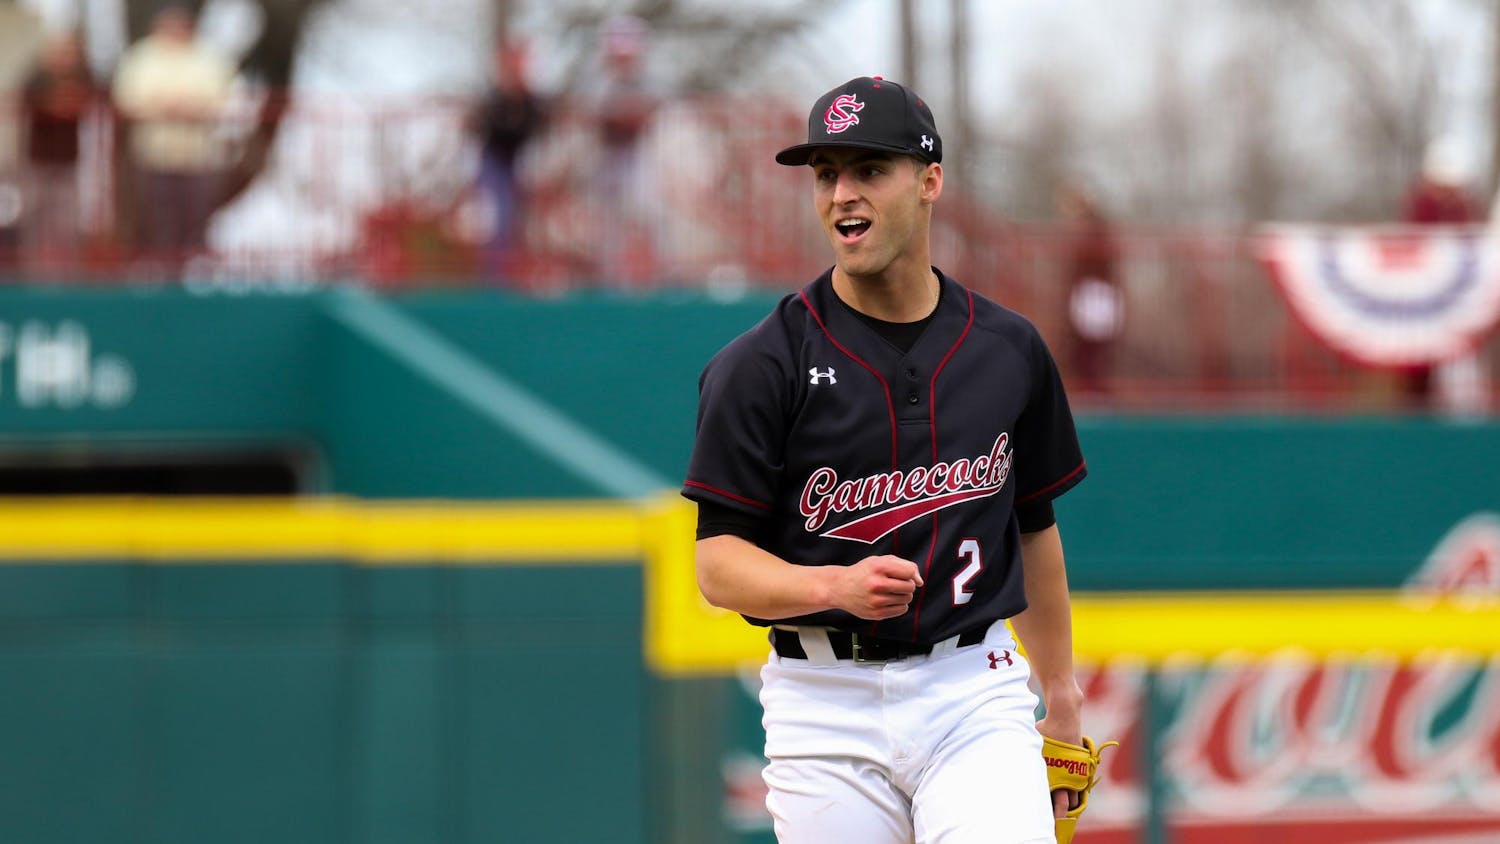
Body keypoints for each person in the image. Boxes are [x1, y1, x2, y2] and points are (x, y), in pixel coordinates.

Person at [682, 77, 1090, 842]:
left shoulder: (1008, 350)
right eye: (826, 173)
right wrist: (830, 583)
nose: (842, 193)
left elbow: (1033, 528)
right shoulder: (760, 366)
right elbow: (718, 565)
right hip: (821, 701)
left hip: (973, 688)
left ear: (929, 180)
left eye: (869, 168)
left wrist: (1061, 701)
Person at [112, 4, 237, 270]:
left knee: (195, 216)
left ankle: (191, 271)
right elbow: (127, 96)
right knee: (156, 216)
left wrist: (193, 107)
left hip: (198, 154)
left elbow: (223, 96)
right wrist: (161, 106)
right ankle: (160, 271)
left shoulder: (207, 57)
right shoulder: (141, 57)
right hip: (153, 153)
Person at [21, 31, 94, 273]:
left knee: (67, 220)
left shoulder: (83, 76)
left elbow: (84, 102)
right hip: (37, 161)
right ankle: (33, 271)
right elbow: (33, 100)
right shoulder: (36, 77)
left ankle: (67, 272)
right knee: (35, 216)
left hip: (68, 161)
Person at [472, 38, 544, 280]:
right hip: (494, 163)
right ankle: (495, 279)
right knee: (497, 218)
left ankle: (521, 277)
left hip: (520, 163)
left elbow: (536, 129)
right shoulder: (493, 98)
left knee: (523, 220)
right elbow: (490, 130)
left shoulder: (531, 100)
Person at [1055, 182, 1123, 395]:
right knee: (1087, 347)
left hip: (1094, 292)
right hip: (1091, 292)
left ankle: (1094, 390)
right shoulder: (1089, 228)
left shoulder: (1093, 228)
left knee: (1092, 347)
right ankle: (1091, 389)